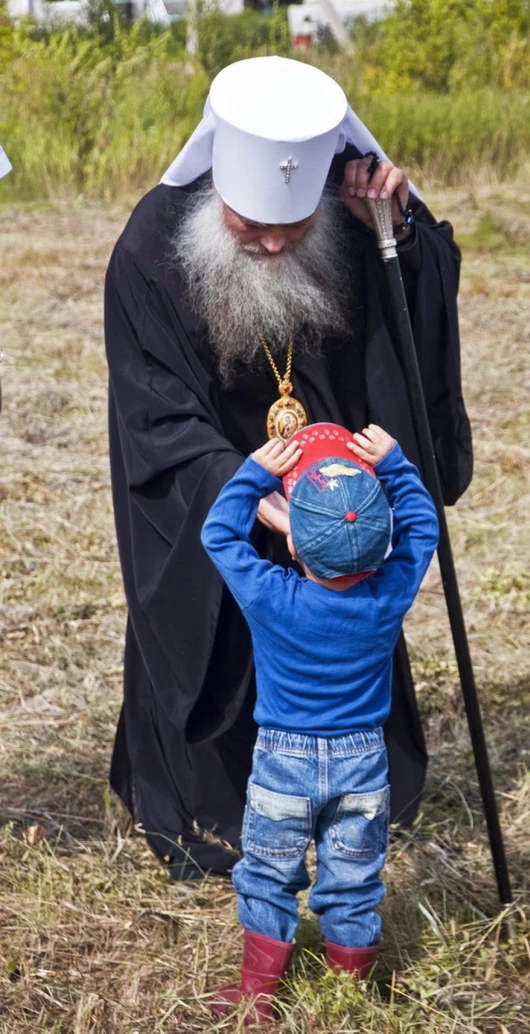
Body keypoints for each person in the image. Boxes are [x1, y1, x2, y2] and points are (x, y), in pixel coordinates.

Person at [104, 55, 473, 879]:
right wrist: (243, 493)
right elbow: (153, 407)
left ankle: (355, 795)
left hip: (335, 489)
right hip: (221, 482)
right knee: (219, 621)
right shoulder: (149, 248)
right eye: (248, 227)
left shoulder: (349, 211)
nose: (273, 242)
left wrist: (397, 237)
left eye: (292, 227)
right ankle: (217, 804)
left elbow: (412, 330)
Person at [200, 423, 439, 1020]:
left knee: (267, 875)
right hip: (363, 762)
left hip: (284, 760)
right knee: (354, 880)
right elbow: (424, 528)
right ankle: (348, 994)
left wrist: (257, 470)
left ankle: (257, 997)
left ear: (294, 547)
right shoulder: (387, 597)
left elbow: (219, 535)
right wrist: (396, 465)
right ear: (380, 542)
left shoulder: (271, 596)